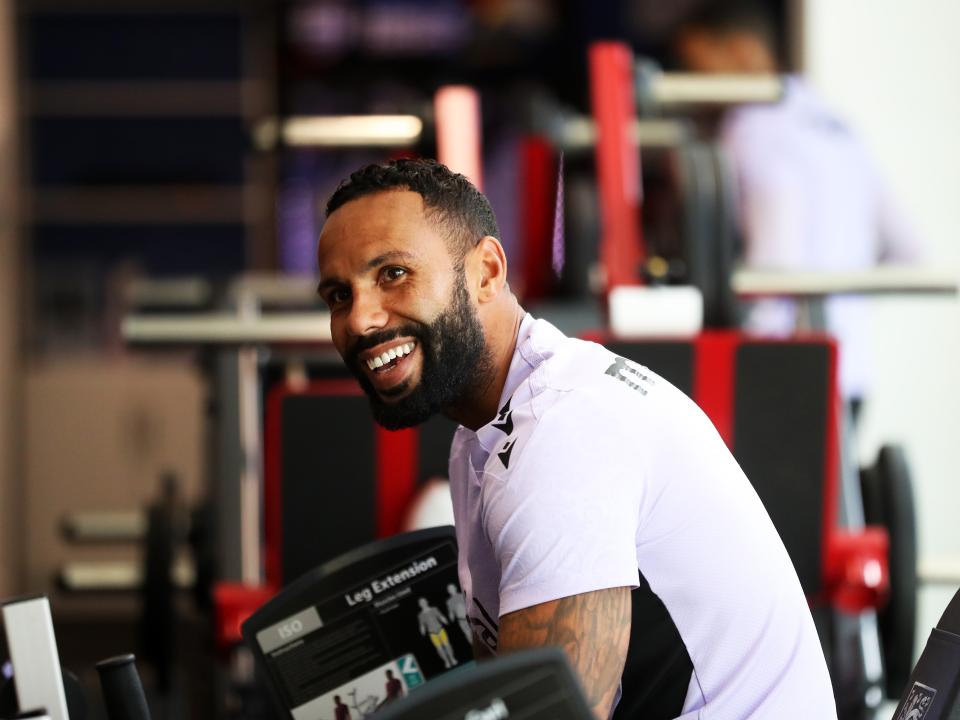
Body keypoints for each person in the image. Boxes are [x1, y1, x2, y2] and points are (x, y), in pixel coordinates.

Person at [316, 158, 837, 719]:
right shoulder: (486, 436)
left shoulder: (561, 431)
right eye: (339, 295)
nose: (360, 319)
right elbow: (502, 687)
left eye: (393, 273)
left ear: (486, 272)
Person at [674, 0, 921, 411]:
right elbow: (908, 250)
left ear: (742, 51)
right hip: (852, 369)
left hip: (787, 373)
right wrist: (844, 302)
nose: (692, 85)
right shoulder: (836, 121)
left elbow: (776, 266)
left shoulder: (752, 125)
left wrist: (752, 360)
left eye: (697, 66)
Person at [416, 596, 458, 669]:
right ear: (419, 605)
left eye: (424, 601)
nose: (423, 603)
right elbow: (422, 625)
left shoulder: (434, 609)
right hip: (432, 633)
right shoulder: (420, 615)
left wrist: (445, 621)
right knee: (439, 648)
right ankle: (446, 661)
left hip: (440, 630)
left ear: (426, 602)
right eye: (421, 602)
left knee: (447, 644)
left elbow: (440, 616)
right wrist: (422, 631)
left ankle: (452, 658)